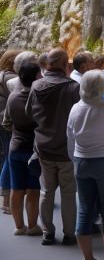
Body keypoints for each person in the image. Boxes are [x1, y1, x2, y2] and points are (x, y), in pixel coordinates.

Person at [66, 69, 104, 260]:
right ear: (101, 87)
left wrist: (76, 161)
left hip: (82, 163)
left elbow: (70, 140)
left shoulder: (75, 108)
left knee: (85, 210)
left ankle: (88, 257)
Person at [26, 47, 80, 245]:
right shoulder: (73, 88)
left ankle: (47, 232)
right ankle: (69, 234)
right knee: (67, 193)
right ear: (64, 65)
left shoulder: (36, 85)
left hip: (44, 148)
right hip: (66, 149)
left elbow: (29, 113)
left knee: (46, 191)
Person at [3, 61, 42, 235]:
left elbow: (6, 123)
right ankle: (33, 226)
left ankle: (19, 227)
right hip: (34, 149)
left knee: (16, 189)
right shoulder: (40, 98)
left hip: (15, 147)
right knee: (33, 189)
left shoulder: (12, 96)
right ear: (36, 76)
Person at [0, 49, 19, 214]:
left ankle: (6, 198)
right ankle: (6, 200)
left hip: (2, 122)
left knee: (7, 156)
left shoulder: (1, 75)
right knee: (9, 158)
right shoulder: (12, 79)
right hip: (8, 123)